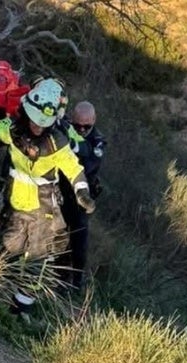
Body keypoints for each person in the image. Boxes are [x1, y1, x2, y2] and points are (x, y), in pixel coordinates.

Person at [0, 79, 96, 322]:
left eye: (43, 123)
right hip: (16, 202)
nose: (37, 127)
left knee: (37, 258)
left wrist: (82, 192)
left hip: (43, 207)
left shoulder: (57, 142)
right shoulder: (12, 128)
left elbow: (74, 169)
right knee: (12, 247)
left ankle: (22, 313)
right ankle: (8, 295)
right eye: (34, 120)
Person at [59, 101, 107, 289]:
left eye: (86, 126)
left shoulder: (98, 141)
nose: (81, 130)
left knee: (78, 239)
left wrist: (73, 142)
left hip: (82, 198)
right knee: (59, 234)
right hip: (61, 190)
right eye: (77, 125)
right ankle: (60, 277)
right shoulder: (66, 128)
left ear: (94, 120)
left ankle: (76, 282)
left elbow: (89, 165)